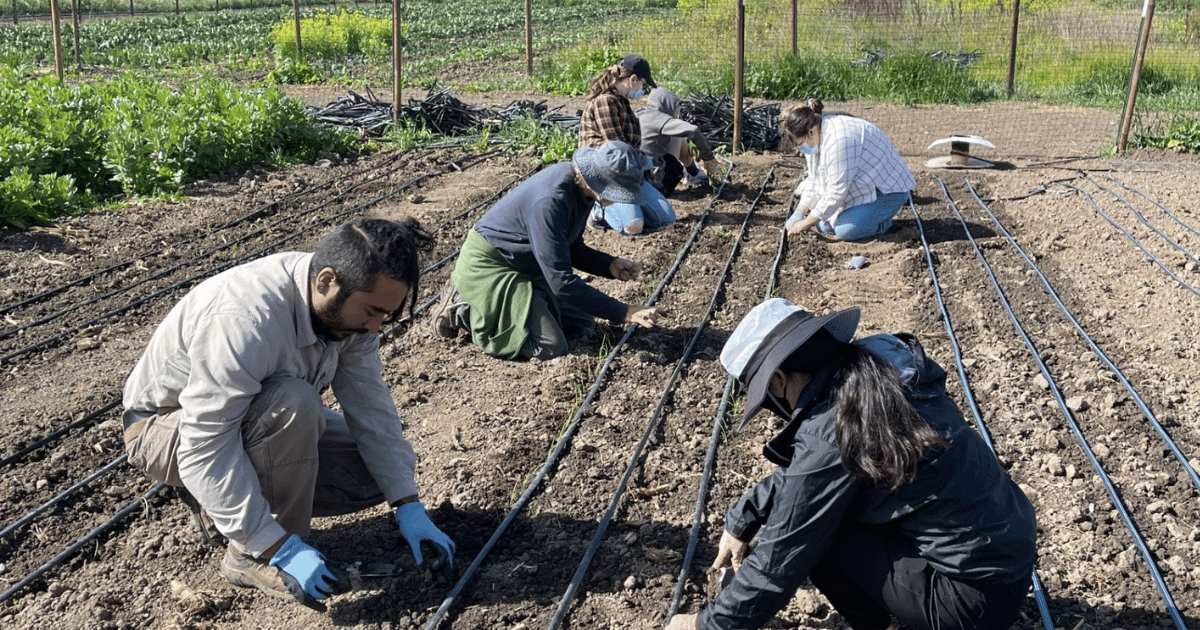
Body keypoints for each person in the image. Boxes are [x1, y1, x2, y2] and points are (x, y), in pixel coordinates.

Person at [121, 218, 456, 612]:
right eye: (372, 312)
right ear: (327, 281)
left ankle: (229, 506)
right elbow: (204, 443)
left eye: (386, 314)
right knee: (292, 404)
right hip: (165, 429)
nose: (376, 326)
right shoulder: (245, 319)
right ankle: (252, 554)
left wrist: (406, 502)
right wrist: (278, 545)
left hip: (252, 420)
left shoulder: (350, 316)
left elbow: (371, 406)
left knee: (372, 475)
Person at [666, 298, 1036, 630]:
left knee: (819, 532)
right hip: (1006, 562)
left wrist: (704, 624)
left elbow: (782, 557)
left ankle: (877, 624)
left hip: (971, 603)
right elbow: (808, 474)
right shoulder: (876, 374)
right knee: (827, 507)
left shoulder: (835, 426)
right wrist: (743, 517)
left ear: (777, 378)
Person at [433, 141, 663, 360]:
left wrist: (607, 264)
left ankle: (532, 300)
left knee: (583, 323)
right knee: (550, 346)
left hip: (526, 261)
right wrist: (624, 311)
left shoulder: (580, 188)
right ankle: (459, 306)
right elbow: (562, 282)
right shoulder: (551, 202)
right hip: (494, 265)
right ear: (600, 183)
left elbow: (568, 246)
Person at [780, 98, 915, 241]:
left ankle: (885, 226)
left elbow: (836, 192)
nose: (801, 149)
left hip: (886, 191)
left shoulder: (839, 140)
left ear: (810, 132)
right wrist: (801, 211)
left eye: (800, 144)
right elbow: (814, 179)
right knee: (822, 225)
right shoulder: (815, 138)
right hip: (862, 188)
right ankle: (864, 218)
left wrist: (805, 223)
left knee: (846, 231)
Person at [578, 53, 675, 234]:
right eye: (644, 85)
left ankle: (626, 208)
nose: (643, 90)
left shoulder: (622, 102)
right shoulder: (605, 102)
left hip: (624, 172)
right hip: (604, 175)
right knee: (633, 226)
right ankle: (598, 209)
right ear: (633, 80)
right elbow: (617, 149)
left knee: (666, 219)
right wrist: (645, 162)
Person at [636, 87, 721, 195]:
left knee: (674, 135)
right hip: (657, 186)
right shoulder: (658, 118)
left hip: (635, 182)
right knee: (678, 136)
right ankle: (693, 173)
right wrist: (708, 157)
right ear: (668, 105)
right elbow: (693, 130)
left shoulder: (639, 114)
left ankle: (693, 173)